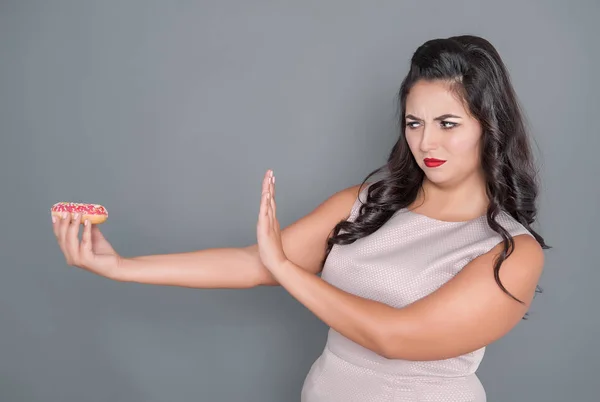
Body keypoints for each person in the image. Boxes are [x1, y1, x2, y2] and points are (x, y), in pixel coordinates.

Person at [51, 35, 548, 401]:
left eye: (448, 123)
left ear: (490, 127)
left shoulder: (508, 251)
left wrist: (287, 270)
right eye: (414, 122)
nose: (426, 143)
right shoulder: (369, 201)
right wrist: (122, 266)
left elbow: (394, 338)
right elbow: (255, 264)